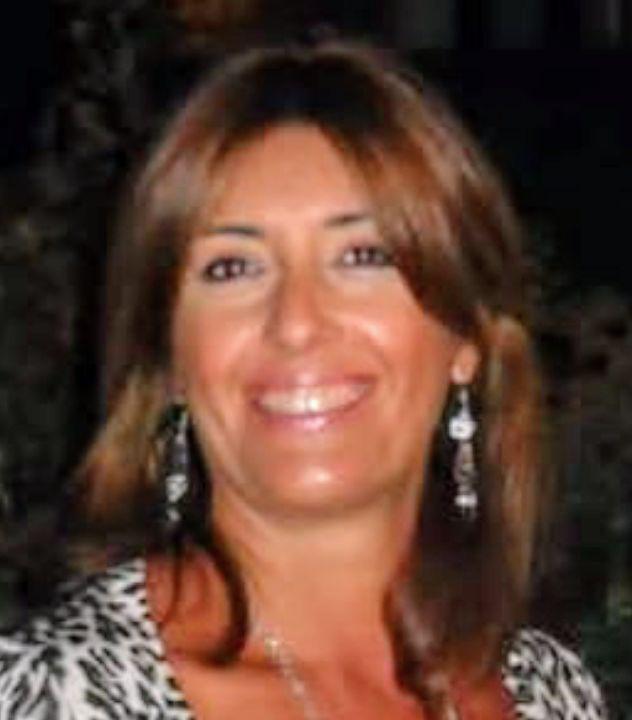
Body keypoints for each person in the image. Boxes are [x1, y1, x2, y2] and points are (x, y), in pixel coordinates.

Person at [0, 41, 607, 720]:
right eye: (233, 268)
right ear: (168, 359)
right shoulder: (55, 694)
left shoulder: (551, 693)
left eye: (362, 256)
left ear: (466, 338)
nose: (296, 323)